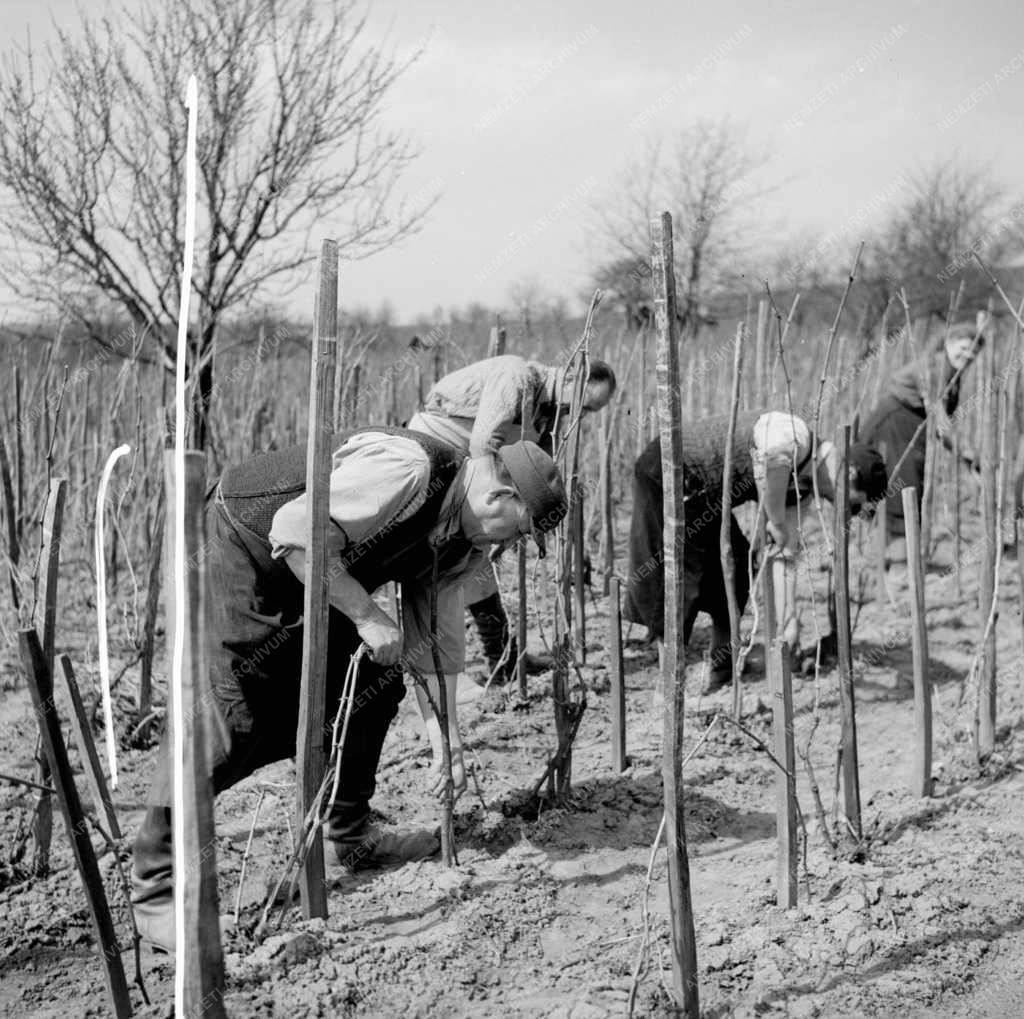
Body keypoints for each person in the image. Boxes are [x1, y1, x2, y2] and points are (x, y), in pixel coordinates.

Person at [131, 427, 567, 952]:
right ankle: (157, 895)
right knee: (233, 717)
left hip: (314, 569)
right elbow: (295, 530)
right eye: (517, 532)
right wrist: (365, 613)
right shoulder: (410, 470)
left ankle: (351, 832)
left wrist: (444, 745)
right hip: (241, 548)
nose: (509, 545)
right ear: (498, 496)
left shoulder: (460, 542)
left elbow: (433, 649)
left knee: (374, 686)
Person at [624, 409, 887, 692]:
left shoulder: (802, 486)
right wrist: (775, 520)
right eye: (853, 505)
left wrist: (789, 625)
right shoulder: (794, 435)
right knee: (686, 577)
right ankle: (669, 686)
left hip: (705, 497)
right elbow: (772, 460)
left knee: (736, 567)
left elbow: (783, 554)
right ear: (848, 475)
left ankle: (721, 666)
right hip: (670, 471)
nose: (843, 509)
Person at [407, 354, 616, 687]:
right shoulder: (516, 377)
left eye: (590, 412)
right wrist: (498, 514)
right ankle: (454, 670)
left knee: (476, 565)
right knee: (452, 561)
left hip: (468, 468)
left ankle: (503, 656)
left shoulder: (548, 411)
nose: (581, 416)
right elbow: (481, 444)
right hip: (437, 457)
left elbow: (535, 466)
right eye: (585, 406)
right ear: (572, 378)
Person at [860, 319, 984, 559]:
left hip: (910, 426)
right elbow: (939, 418)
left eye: (974, 352)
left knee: (905, 485)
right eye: (964, 347)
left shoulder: (951, 373)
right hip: (894, 423)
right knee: (901, 486)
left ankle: (893, 556)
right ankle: (892, 557)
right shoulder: (934, 368)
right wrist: (964, 450)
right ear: (949, 342)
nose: (968, 355)